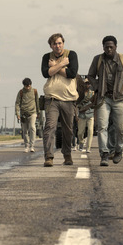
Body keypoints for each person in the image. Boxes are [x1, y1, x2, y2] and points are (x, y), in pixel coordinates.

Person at [87, 35, 123, 166]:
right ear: (103, 47)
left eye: (111, 47)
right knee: (102, 127)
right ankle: (104, 154)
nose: (109, 49)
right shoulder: (98, 59)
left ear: (116, 47)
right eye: (106, 47)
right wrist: (97, 86)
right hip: (104, 98)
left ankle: (118, 150)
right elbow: (91, 76)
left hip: (120, 99)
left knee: (120, 128)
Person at [41, 33, 79, 167]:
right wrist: (62, 64)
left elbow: (72, 73)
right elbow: (46, 73)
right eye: (54, 44)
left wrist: (55, 66)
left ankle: (67, 155)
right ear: (51, 46)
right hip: (52, 98)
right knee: (50, 127)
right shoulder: (46, 57)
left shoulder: (71, 54)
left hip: (69, 98)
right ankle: (49, 156)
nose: (57, 46)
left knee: (68, 129)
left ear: (63, 43)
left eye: (59, 43)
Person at [15, 77, 40, 153]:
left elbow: (37, 102)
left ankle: (32, 146)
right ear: (24, 85)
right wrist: (17, 114)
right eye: (27, 86)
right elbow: (17, 103)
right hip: (23, 114)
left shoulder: (34, 91)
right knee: (25, 130)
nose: (28, 87)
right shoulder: (21, 92)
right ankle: (26, 146)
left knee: (32, 128)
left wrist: (38, 112)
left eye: (29, 85)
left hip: (32, 113)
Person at [76, 78, 96, 153]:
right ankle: (81, 142)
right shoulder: (80, 94)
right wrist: (76, 115)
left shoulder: (92, 93)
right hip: (82, 114)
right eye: (86, 83)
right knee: (80, 132)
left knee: (90, 131)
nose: (87, 85)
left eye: (88, 83)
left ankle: (88, 148)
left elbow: (94, 104)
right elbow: (77, 104)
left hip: (90, 114)